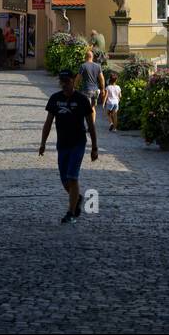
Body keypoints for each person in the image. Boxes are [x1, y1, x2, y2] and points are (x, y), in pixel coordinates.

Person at [39, 69, 98, 223]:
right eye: (62, 82)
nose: (64, 85)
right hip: (62, 144)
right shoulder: (55, 99)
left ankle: (71, 213)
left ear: (74, 81)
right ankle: (76, 197)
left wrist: (94, 147)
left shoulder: (82, 100)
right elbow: (48, 123)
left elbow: (91, 124)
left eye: (67, 81)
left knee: (72, 177)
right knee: (65, 181)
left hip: (78, 143)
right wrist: (43, 143)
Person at [78, 48, 105, 122]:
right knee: (92, 108)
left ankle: (87, 125)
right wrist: (102, 89)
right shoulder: (98, 66)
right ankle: (92, 126)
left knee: (85, 109)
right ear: (92, 57)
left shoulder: (83, 66)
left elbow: (78, 78)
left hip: (86, 90)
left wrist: (75, 87)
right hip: (95, 91)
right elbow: (102, 79)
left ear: (85, 57)